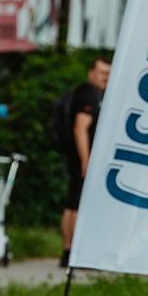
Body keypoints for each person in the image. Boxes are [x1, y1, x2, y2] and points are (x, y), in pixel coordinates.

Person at [60, 57, 110, 268]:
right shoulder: (88, 94)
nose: (105, 77)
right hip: (83, 157)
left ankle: (69, 251)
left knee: (73, 202)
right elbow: (80, 128)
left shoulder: (88, 93)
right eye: (101, 72)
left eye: (108, 73)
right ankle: (75, 251)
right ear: (91, 72)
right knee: (79, 204)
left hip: (79, 157)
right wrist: (86, 160)